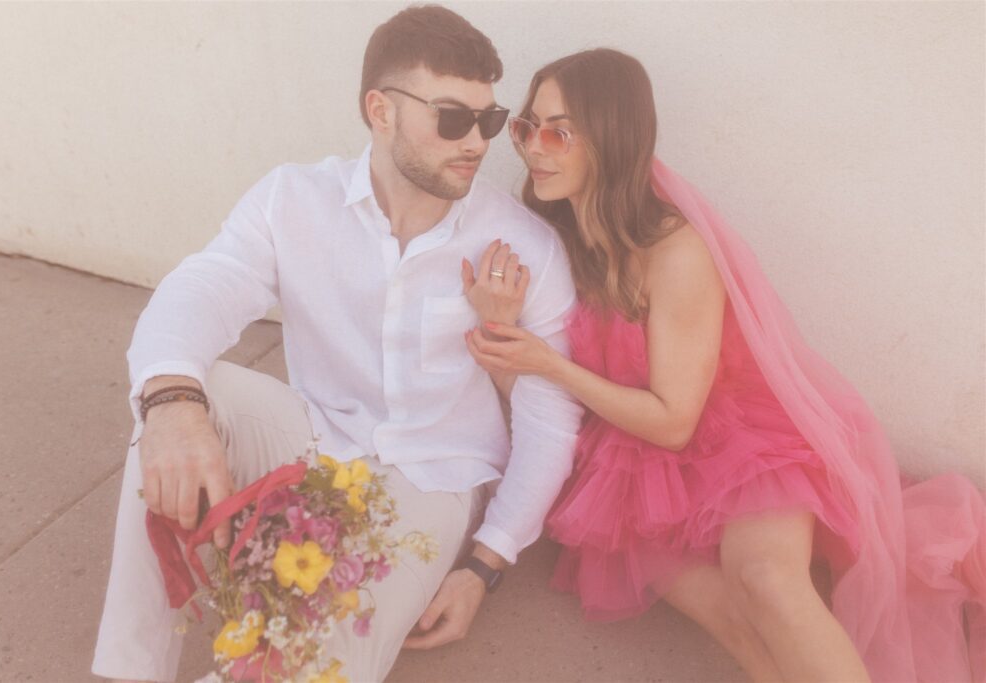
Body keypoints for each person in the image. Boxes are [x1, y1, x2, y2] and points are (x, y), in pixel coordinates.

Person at [91, 6, 583, 682]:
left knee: (307, 662)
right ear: (380, 111)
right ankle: (128, 671)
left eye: (489, 120)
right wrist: (172, 405)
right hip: (317, 438)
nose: (477, 141)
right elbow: (205, 284)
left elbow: (549, 421)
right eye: (452, 118)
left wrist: (483, 566)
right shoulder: (293, 198)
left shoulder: (526, 247)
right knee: (178, 397)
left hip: (434, 480)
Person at [463, 48, 986, 682]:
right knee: (732, 619)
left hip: (733, 437)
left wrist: (551, 364)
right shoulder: (552, 238)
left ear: (613, 139)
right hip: (627, 464)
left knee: (764, 580)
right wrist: (502, 327)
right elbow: (529, 391)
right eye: (527, 127)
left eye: (560, 131)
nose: (534, 148)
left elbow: (675, 422)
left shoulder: (674, 250)